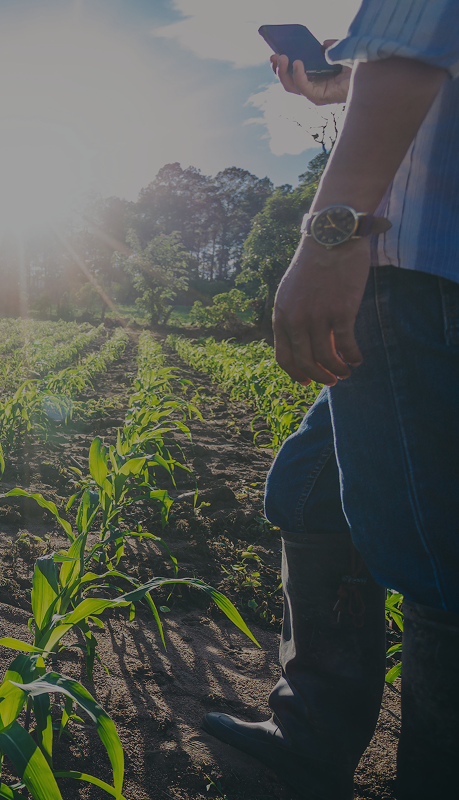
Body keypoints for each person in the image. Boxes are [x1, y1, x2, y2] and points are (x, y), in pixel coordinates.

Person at [203, 2, 459, 799]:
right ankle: (310, 733)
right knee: (312, 494)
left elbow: (420, 42)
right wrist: (336, 84)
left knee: (436, 569)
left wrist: (333, 233)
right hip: (417, 263)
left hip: (414, 266)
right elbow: (424, 60)